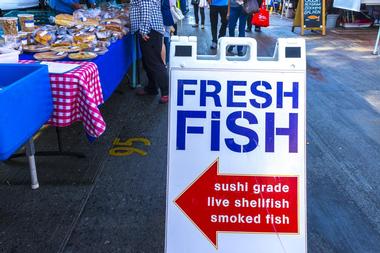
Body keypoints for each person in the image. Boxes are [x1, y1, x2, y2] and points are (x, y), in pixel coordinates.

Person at [130, 0, 169, 104]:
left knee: (155, 63)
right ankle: (152, 88)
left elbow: (146, 9)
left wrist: (143, 30)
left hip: (150, 31)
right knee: (148, 63)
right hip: (150, 30)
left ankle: (166, 92)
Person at [161, 0, 175, 64]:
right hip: (168, 16)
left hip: (162, 17)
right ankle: (167, 60)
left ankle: (165, 61)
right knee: (167, 38)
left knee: (162, 40)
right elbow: (172, 4)